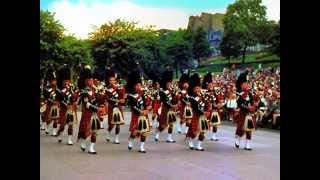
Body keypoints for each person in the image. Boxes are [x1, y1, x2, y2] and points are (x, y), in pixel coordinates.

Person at [77, 65, 101, 154]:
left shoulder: (96, 90)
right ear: (85, 81)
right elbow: (87, 104)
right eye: (89, 80)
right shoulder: (84, 91)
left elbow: (99, 100)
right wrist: (96, 108)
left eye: (91, 79)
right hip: (87, 112)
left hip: (95, 113)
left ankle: (91, 148)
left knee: (95, 131)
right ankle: (83, 140)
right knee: (85, 130)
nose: (91, 81)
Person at [126, 70, 152, 153]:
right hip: (136, 115)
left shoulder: (143, 93)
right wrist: (141, 111)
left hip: (144, 114)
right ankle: (131, 140)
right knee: (135, 132)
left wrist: (148, 108)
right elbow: (133, 106)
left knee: (144, 132)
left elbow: (147, 102)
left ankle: (142, 147)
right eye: (137, 85)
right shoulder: (130, 95)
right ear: (133, 86)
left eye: (140, 85)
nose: (139, 86)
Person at [234, 72, 257, 150]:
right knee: (241, 128)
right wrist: (248, 107)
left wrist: (253, 106)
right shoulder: (238, 93)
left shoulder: (250, 93)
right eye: (245, 83)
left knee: (249, 129)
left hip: (249, 114)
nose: (246, 84)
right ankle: (238, 138)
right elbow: (239, 104)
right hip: (242, 113)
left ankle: (247, 144)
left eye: (247, 83)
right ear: (241, 84)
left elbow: (252, 102)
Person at [154, 69, 179, 143]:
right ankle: (157, 133)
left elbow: (174, 99)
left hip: (171, 109)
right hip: (165, 108)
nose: (170, 84)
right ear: (165, 83)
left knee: (171, 124)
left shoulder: (172, 90)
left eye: (170, 83)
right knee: (163, 124)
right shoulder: (162, 91)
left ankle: (169, 138)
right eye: (168, 83)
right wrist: (172, 106)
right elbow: (165, 101)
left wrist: (176, 100)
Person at [56, 66, 78, 145]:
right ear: (62, 81)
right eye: (65, 81)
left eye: (68, 80)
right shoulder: (59, 89)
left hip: (71, 108)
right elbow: (59, 100)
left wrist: (72, 91)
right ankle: (60, 134)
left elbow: (75, 97)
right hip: (63, 108)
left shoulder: (73, 87)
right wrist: (65, 104)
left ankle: (69, 139)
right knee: (62, 124)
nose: (67, 82)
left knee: (70, 124)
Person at [186, 73, 209, 151]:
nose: (198, 89)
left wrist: (207, 110)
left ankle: (199, 145)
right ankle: (191, 141)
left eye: (199, 88)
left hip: (203, 116)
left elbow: (206, 104)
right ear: (193, 89)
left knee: (203, 131)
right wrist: (203, 112)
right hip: (196, 115)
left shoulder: (203, 96)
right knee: (194, 131)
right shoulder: (192, 97)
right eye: (196, 88)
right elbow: (195, 107)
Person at [105, 68, 126, 144]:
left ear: (115, 80)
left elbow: (123, 96)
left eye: (113, 80)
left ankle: (116, 138)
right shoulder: (107, 89)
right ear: (108, 81)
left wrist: (122, 99)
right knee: (111, 123)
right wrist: (116, 100)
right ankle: (108, 131)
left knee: (118, 123)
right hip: (112, 106)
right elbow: (107, 99)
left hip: (118, 107)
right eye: (110, 80)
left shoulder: (119, 87)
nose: (112, 82)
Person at [202, 72, 221, 141]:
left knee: (215, 124)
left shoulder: (215, 91)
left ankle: (214, 136)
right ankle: (202, 134)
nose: (211, 85)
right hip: (207, 110)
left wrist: (219, 104)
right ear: (207, 84)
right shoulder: (204, 92)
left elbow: (218, 99)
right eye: (210, 84)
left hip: (214, 110)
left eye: (211, 84)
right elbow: (204, 102)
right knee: (205, 123)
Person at [43, 66, 61, 136]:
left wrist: (58, 101)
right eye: (53, 81)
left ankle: (54, 130)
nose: (55, 82)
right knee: (48, 118)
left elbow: (60, 97)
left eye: (55, 80)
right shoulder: (47, 88)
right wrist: (51, 101)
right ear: (50, 81)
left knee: (56, 119)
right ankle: (47, 127)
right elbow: (46, 97)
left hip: (56, 105)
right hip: (50, 104)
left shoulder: (58, 89)